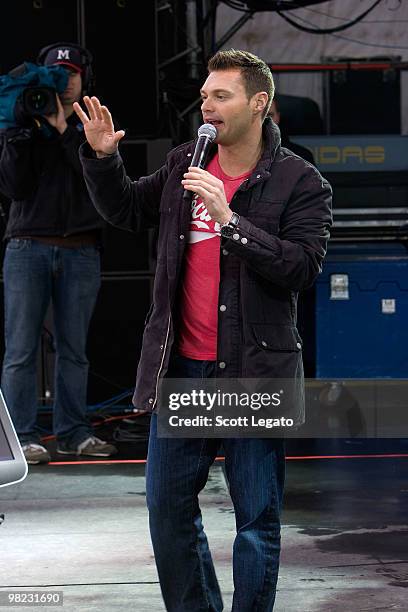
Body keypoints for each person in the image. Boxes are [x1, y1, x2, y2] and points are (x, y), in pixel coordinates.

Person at [76, 49, 332, 611]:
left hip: (253, 373)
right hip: (186, 370)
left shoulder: (300, 181)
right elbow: (126, 210)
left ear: (258, 103)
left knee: (255, 519)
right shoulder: (185, 163)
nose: (207, 107)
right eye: (205, 96)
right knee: (167, 509)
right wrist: (101, 159)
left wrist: (231, 222)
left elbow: (302, 267)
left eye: (222, 96)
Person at [0, 43, 117, 464]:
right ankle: (21, 439)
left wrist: (65, 129)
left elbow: (99, 175)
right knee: (20, 350)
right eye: (57, 73)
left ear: (85, 77)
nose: (65, 81)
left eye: (72, 73)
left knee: (74, 349)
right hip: (28, 245)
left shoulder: (95, 124)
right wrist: (24, 132)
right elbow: (12, 188)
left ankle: (74, 433)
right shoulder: (22, 119)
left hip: (81, 248)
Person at [268, 97, 315, 164]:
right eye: (258, 115)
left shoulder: (302, 158)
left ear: (277, 117)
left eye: (269, 115)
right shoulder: (247, 156)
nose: (264, 120)